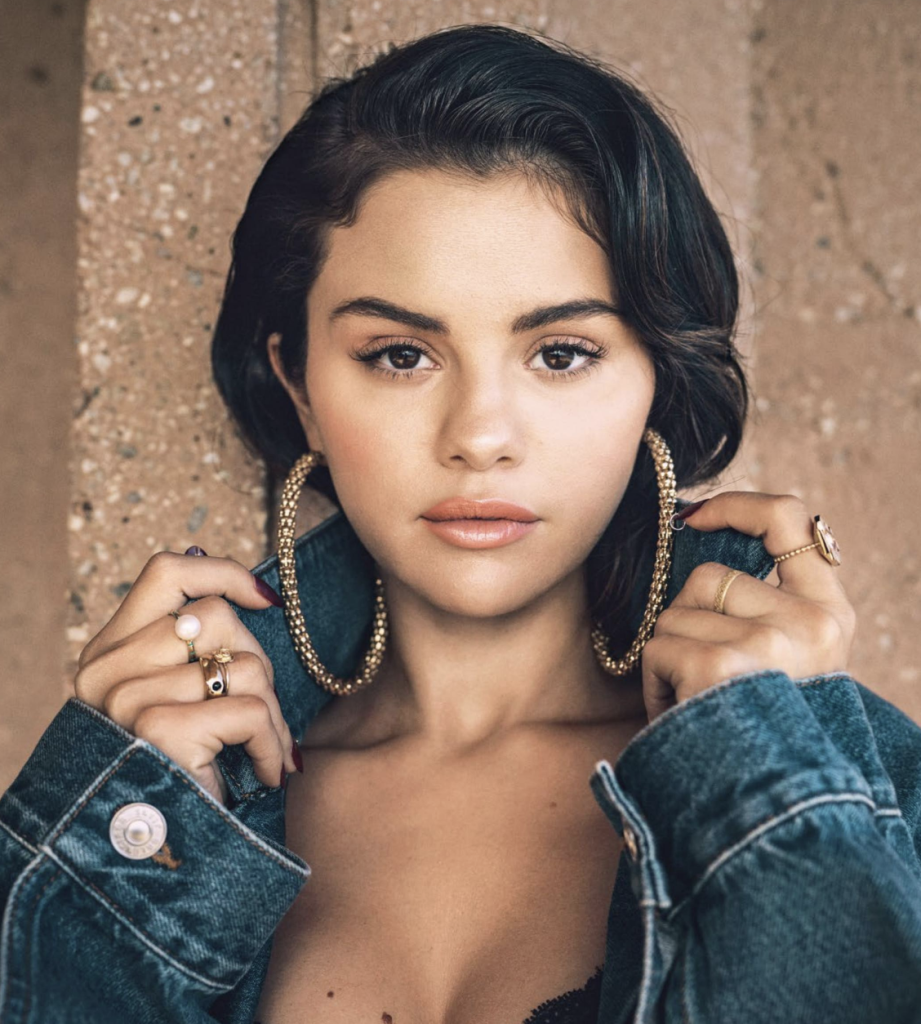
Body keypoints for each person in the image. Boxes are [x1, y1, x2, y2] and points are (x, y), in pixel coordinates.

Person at [2, 22, 920, 1024]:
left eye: (562, 352)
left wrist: (771, 771)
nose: (480, 435)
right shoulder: (173, 797)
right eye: (400, 354)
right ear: (300, 387)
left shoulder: (855, 792)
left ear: (655, 382)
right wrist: (109, 838)